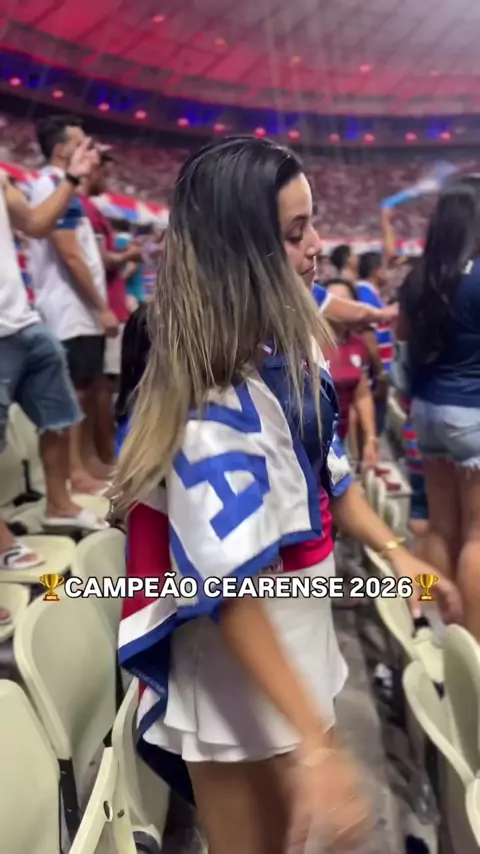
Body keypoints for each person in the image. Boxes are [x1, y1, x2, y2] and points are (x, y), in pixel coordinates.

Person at [114, 138, 460, 854]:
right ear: (244, 254)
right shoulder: (212, 396)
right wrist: (314, 745)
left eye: (313, 224)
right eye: (296, 232)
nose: (317, 247)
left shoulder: (285, 348)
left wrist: (398, 552)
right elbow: (230, 590)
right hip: (238, 658)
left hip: (294, 629)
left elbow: (330, 473)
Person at [0, 139, 108, 571]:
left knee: (60, 418)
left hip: (23, 322)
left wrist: (72, 178)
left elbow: (35, 224)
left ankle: (59, 504)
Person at [400, 177, 480, 641]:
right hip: (472, 411)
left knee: (440, 526)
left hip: (427, 410)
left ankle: (437, 629)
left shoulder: (420, 276)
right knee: (477, 535)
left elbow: (403, 335)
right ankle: (472, 643)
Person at [29, 115, 118, 493]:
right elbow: (69, 253)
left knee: (88, 385)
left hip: (80, 309)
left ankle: (87, 461)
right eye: (81, 143)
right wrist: (101, 305)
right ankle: (75, 471)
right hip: (67, 308)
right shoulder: (50, 184)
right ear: (62, 149)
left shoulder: (66, 189)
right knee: (74, 391)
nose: (88, 149)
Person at [82, 154, 144, 465]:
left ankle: (103, 453)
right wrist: (130, 255)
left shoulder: (92, 211)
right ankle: (104, 454)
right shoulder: (88, 211)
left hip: (111, 307)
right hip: (107, 308)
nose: (106, 182)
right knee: (102, 385)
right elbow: (102, 261)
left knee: (104, 384)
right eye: (104, 174)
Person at [322, 278, 378, 470]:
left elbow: (362, 395)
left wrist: (370, 438)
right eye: (334, 300)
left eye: (346, 299)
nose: (341, 306)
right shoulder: (307, 344)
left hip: (342, 437)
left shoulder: (358, 344)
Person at [356, 251, 393, 434]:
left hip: (375, 374)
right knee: (372, 426)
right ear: (377, 271)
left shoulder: (370, 294)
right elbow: (368, 337)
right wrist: (380, 374)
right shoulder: (366, 295)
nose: (390, 274)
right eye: (387, 269)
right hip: (373, 376)